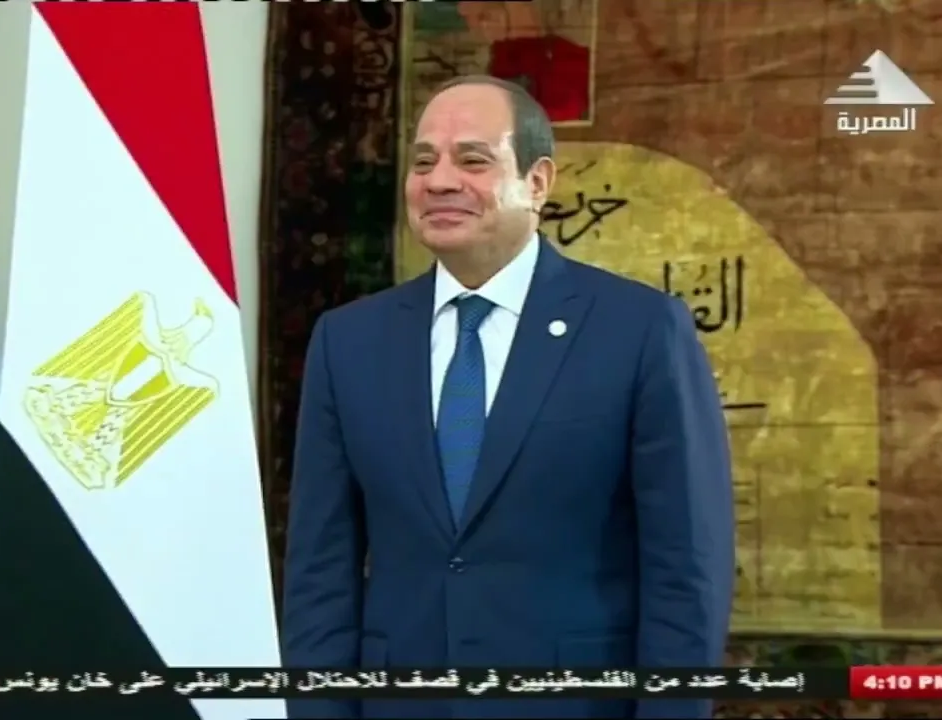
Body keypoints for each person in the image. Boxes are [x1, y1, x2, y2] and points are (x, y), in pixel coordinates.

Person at [281, 75, 735, 720]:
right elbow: (319, 574)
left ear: (538, 182)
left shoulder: (639, 330)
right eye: (422, 162)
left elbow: (687, 571)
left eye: (472, 160)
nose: (439, 181)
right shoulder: (348, 341)